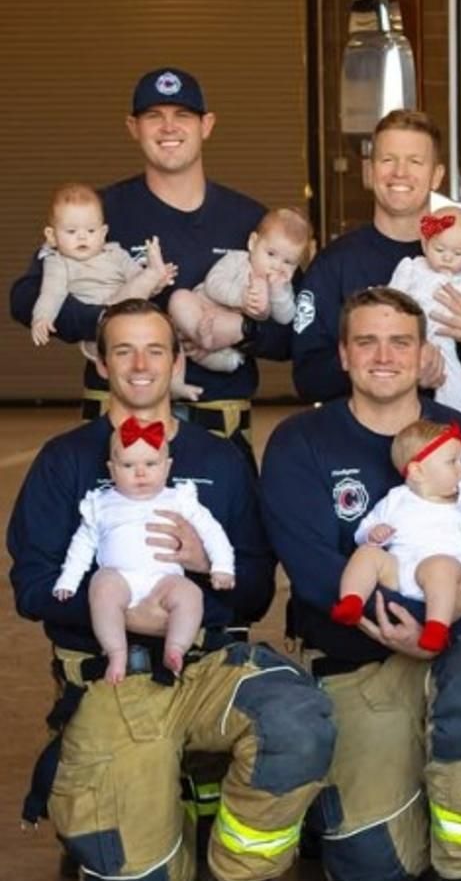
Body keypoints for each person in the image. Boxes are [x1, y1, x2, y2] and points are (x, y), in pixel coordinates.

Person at [9, 299, 333, 881]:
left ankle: (233, 867)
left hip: (205, 670)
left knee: (299, 717)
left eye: (156, 349)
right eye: (123, 350)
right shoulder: (63, 462)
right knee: (138, 868)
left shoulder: (222, 460)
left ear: (178, 360)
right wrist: (129, 614)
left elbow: (257, 588)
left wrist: (204, 564)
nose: (140, 364)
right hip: (112, 682)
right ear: (100, 363)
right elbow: (32, 587)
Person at [262, 287, 461, 881]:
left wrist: (447, 617)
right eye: (367, 341)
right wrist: (408, 623)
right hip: (356, 654)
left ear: (422, 353)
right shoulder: (299, 442)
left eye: (399, 342)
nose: (384, 356)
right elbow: (311, 570)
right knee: (370, 862)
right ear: (343, 355)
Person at [9, 69, 290, 457]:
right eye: (154, 115)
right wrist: (108, 322)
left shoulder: (250, 222)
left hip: (217, 427)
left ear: (206, 125)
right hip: (117, 424)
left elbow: (298, 331)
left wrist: (243, 329)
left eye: (183, 115)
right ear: (133, 127)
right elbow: (25, 297)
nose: (168, 127)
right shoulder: (99, 213)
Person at [293, 109, 461, 421]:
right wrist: (389, 362)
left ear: (437, 175)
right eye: (388, 160)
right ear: (369, 171)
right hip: (361, 452)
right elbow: (308, 379)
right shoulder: (334, 264)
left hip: (459, 447)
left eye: (415, 162)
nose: (400, 173)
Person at [56, 419, 237, 681]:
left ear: (168, 467)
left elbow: (212, 532)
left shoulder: (180, 499)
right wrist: (69, 580)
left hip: (164, 579)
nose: (140, 473)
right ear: (112, 469)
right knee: (102, 586)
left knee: (190, 595)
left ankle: (176, 648)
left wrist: (221, 566)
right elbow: (82, 545)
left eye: (151, 464)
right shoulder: (101, 503)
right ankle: (116, 652)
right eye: (128, 465)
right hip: (120, 577)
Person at [331, 418, 461, 655]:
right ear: (417, 471)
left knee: (441, 567)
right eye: (453, 461)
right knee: (367, 554)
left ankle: (436, 628)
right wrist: (374, 533)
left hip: (443, 580)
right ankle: (351, 601)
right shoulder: (396, 499)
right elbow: (363, 532)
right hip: (399, 571)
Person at [29, 183, 175, 352]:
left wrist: (157, 284)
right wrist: (42, 318)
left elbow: (136, 281)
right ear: (52, 236)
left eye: (91, 231)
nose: (82, 237)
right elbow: (51, 293)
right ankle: (153, 273)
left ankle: (153, 274)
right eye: (71, 231)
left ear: (103, 233)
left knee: (166, 344)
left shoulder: (115, 252)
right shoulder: (58, 262)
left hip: (135, 316)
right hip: (100, 325)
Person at [167, 205, 312, 375]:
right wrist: (240, 297)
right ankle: (198, 335)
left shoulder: (281, 285)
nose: (277, 266)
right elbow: (213, 283)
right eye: (271, 254)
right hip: (203, 308)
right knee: (179, 299)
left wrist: (278, 292)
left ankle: (204, 347)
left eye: (288, 262)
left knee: (231, 361)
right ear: (252, 243)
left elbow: (286, 318)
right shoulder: (237, 260)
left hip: (227, 335)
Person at [386, 207, 461, 412]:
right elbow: (391, 299)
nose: (447, 258)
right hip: (407, 336)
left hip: (443, 337)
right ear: (424, 243)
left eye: (458, 253)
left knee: (455, 383)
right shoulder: (412, 267)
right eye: (439, 250)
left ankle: (445, 420)